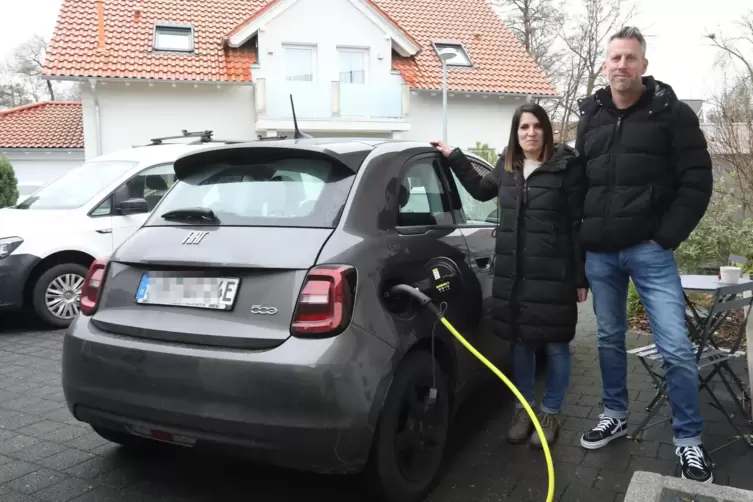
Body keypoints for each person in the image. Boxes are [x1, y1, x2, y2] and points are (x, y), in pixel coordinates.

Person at [574, 26, 714, 483]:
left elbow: (697, 181)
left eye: (630, 58)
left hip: (650, 252)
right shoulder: (590, 115)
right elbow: (580, 185)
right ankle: (614, 414)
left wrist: (665, 236)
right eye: (615, 58)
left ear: (644, 66)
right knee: (610, 339)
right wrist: (580, 247)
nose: (622, 66)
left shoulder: (670, 114)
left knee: (675, 347)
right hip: (601, 254)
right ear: (604, 64)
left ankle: (688, 442)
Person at [431, 103, 588, 448]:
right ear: (515, 134)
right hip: (515, 275)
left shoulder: (566, 167)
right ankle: (524, 410)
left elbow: (578, 224)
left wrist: (580, 276)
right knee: (521, 344)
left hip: (554, 274)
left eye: (536, 126)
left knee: (558, 345)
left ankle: (549, 413)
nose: (530, 133)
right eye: (523, 127)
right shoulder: (508, 167)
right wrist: (454, 156)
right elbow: (479, 190)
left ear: (546, 130)